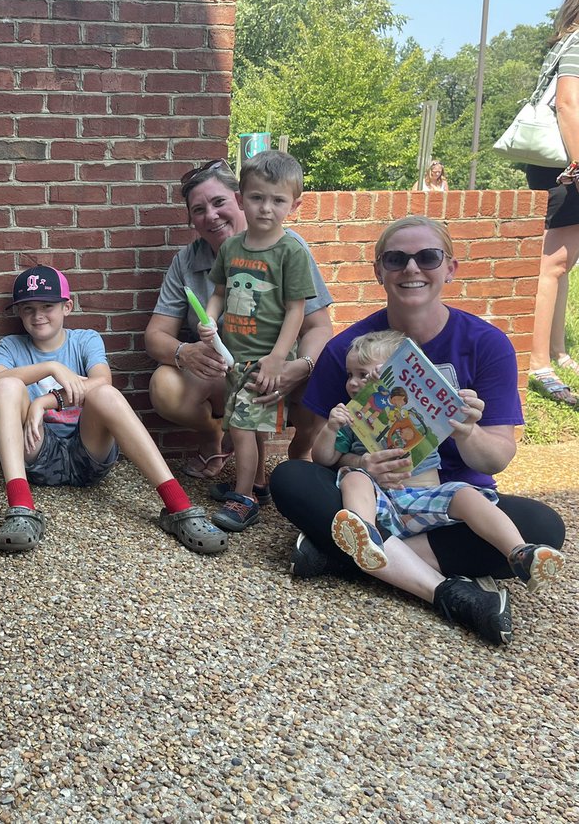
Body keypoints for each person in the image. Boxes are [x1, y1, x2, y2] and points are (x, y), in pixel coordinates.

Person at [272, 215, 567, 646]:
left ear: (450, 268)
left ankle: (346, 557)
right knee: (289, 478)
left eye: (427, 257)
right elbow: (311, 451)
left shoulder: (486, 344)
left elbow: (498, 457)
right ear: (379, 271)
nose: (412, 269)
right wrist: (361, 462)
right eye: (396, 259)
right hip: (374, 496)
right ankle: (436, 584)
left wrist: (467, 432)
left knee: (543, 527)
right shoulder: (347, 350)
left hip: (449, 496)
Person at [0, 265, 225, 555]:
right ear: (19, 313)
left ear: (67, 306)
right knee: (6, 386)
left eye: (47, 306)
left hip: (89, 450)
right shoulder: (12, 345)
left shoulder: (85, 339)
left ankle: (179, 507)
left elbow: (102, 382)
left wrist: (44, 401)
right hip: (37, 452)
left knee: (104, 394)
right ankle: (21, 507)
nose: (38, 316)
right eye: (28, 309)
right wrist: (51, 367)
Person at [313, 329, 565, 592]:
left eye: (364, 375)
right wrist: (331, 429)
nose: (353, 383)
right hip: (381, 503)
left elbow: (444, 401)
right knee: (354, 477)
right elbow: (323, 458)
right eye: (350, 375)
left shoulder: (416, 409)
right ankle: (366, 536)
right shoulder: (350, 418)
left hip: (426, 499)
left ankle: (519, 552)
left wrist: (462, 407)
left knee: (465, 494)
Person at [145, 159, 333, 480]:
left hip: (283, 367)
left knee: (326, 378)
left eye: (219, 202)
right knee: (164, 386)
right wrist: (185, 352)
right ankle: (215, 438)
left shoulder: (290, 248)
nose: (211, 216)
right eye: (199, 209)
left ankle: (300, 453)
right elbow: (156, 335)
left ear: (238, 200)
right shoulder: (188, 261)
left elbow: (318, 326)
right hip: (230, 368)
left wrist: (299, 367)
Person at [197, 151, 316, 533]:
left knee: (243, 429)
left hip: (266, 361)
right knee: (244, 425)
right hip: (234, 356)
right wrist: (210, 321)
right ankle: (259, 485)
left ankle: (244, 497)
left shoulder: (291, 251)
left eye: (278, 200)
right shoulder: (232, 248)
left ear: (294, 204)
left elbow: (297, 312)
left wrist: (279, 359)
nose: (266, 208)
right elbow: (218, 292)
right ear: (240, 198)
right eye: (257, 197)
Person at [527, 0, 579, 407]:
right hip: (567, 165)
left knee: (564, 262)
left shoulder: (566, 38)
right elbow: (567, 102)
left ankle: (557, 351)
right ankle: (539, 362)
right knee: (555, 263)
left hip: (552, 162)